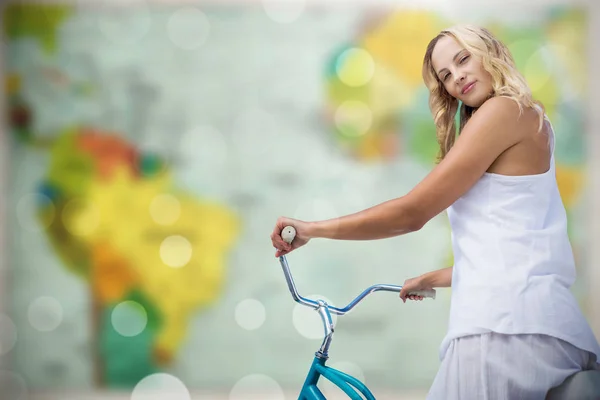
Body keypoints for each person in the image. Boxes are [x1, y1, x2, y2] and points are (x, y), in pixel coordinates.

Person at [270, 25, 600, 398]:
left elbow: (412, 213)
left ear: (488, 52)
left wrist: (312, 229)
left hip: (503, 332)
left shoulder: (503, 110)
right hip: (533, 326)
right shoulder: (525, 118)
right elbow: (515, 250)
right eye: (445, 76)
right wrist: (434, 277)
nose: (457, 76)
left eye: (463, 59)